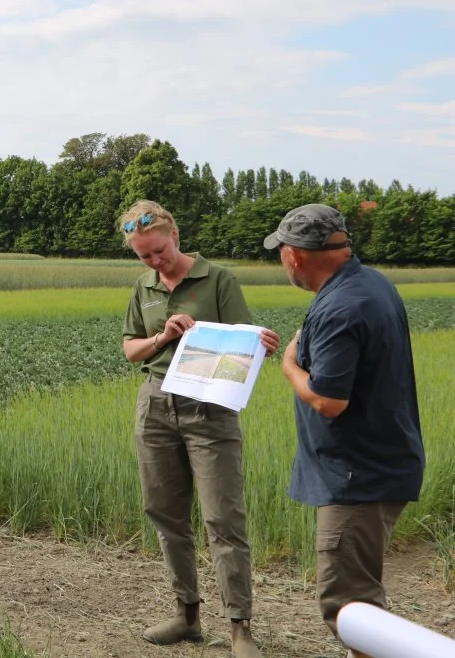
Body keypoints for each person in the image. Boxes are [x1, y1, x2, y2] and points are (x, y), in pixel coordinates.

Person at [118, 200, 278, 658]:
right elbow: (131, 350)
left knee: (222, 517)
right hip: (155, 403)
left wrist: (262, 343)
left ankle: (239, 627)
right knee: (165, 513)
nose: (154, 261)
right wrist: (163, 336)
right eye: (144, 255)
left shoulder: (218, 278)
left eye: (160, 251)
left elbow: (246, 339)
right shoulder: (143, 287)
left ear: (176, 237)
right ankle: (186, 615)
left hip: (210, 408)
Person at [264, 204, 424, 656]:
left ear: (294, 255)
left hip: (358, 478)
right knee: (359, 603)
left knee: (350, 609)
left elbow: (329, 400)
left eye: (281, 252)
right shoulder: (368, 282)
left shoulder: (341, 306)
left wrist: (290, 365)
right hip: (379, 465)